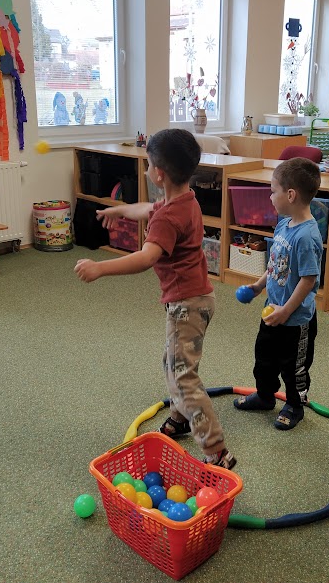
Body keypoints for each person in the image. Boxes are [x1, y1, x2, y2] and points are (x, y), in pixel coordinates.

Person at [74, 128, 236, 470]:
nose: (147, 169)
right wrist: (120, 210)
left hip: (186, 305)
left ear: (158, 174)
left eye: (148, 164)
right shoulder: (185, 200)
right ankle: (179, 418)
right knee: (174, 363)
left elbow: (147, 257)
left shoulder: (168, 216)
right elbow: (148, 208)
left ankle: (217, 451)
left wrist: (100, 268)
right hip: (199, 298)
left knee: (182, 376)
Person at [233, 158, 323, 430]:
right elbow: (274, 265)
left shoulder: (306, 237)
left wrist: (287, 310)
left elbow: (308, 279)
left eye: (273, 191)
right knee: (264, 359)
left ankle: (295, 405)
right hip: (273, 310)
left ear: (290, 195)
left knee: (294, 367)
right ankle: (264, 395)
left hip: (295, 320)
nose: (270, 197)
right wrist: (258, 286)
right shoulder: (285, 224)